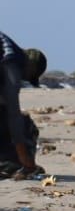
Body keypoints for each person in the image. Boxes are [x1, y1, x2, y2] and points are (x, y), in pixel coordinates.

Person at [0, 30, 47, 179]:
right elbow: (14, 115)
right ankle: (11, 164)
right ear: (29, 68)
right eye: (26, 78)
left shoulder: (6, 45)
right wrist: (25, 159)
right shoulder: (11, 63)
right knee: (24, 124)